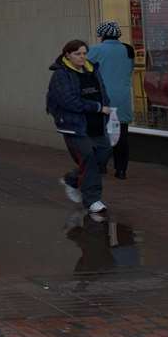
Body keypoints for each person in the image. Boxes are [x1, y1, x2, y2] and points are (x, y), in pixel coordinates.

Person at [45, 38, 113, 216]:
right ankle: (92, 200)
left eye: (84, 53)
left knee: (103, 153)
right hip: (74, 125)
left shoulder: (92, 70)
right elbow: (68, 101)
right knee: (88, 157)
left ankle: (72, 179)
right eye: (77, 54)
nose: (82, 57)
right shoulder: (61, 75)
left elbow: (102, 92)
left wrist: (105, 106)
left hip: (97, 123)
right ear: (67, 55)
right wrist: (97, 107)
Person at [89, 21, 137, 179]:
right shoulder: (128, 50)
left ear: (102, 36)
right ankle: (121, 170)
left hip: (103, 97)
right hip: (123, 97)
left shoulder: (96, 50)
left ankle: (101, 166)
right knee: (121, 135)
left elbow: (86, 70)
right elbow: (130, 70)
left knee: (101, 133)